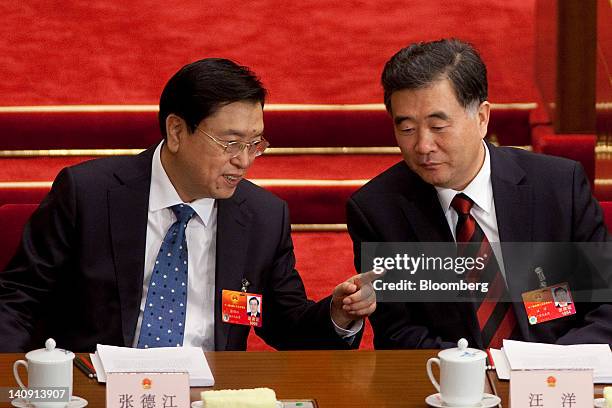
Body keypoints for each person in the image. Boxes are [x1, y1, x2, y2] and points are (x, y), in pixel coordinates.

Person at [0, 58, 376, 352]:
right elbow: (20, 298)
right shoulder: (88, 194)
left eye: (255, 143)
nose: (244, 161)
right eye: (230, 143)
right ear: (177, 131)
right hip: (100, 389)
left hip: (210, 393)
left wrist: (337, 314)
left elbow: (288, 325)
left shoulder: (263, 216)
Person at [347, 39, 611, 349]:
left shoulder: (556, 187)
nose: (422, 146)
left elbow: (605, 304)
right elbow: (399, 333)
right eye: (406, 129)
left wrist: (545, 370)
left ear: (482, 118)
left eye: (438, 126)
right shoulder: (379, 210)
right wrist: (476, 374)